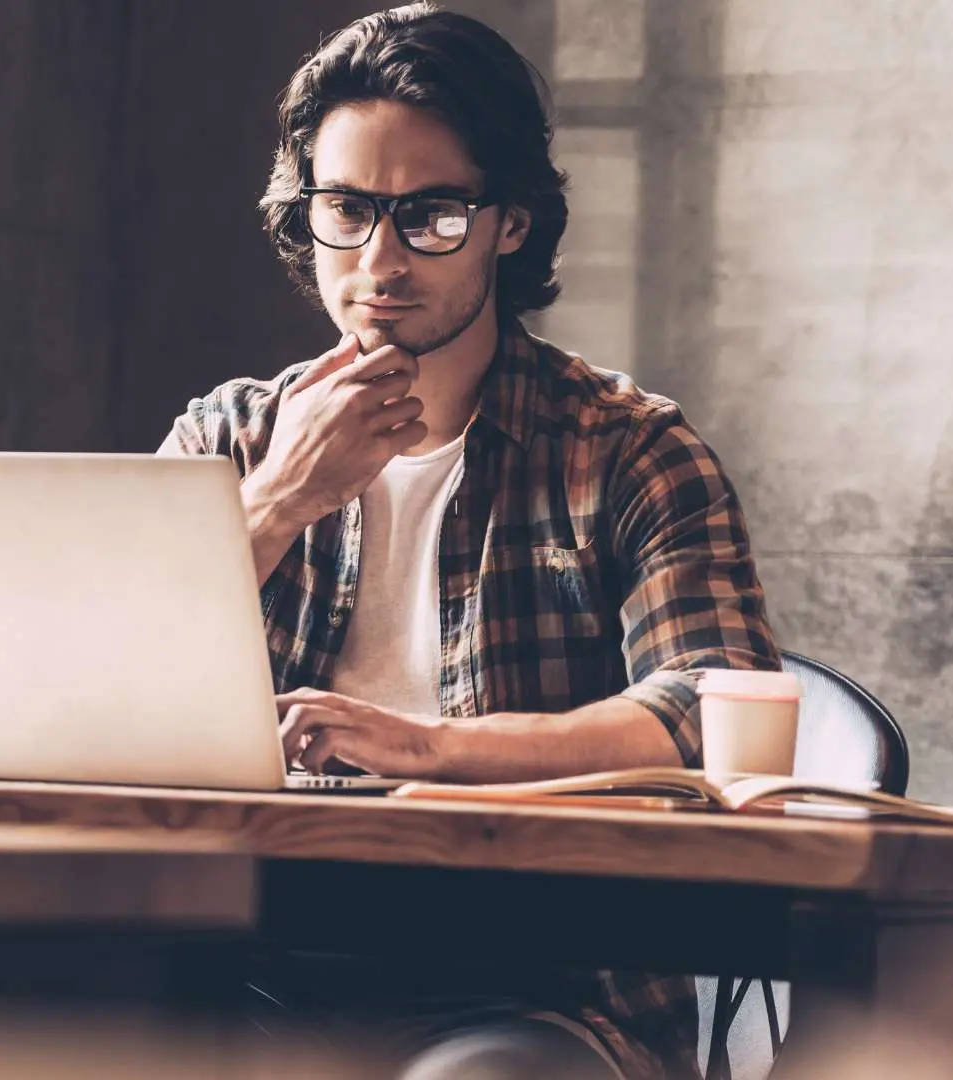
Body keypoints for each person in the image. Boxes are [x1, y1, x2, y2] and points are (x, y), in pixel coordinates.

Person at [158, 5, 780, 1078]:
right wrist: (274, 506)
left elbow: (704, 713)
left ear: (512, 223)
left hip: (542, 985)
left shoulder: (629, 452)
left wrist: (430, 751)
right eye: (347, 211)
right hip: (256, 964)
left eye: (432, 215)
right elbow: (108, 692)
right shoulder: (227, 439)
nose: (382, 260)